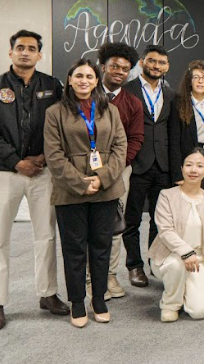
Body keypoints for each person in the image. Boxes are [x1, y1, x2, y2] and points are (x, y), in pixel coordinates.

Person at [0, 29, 68, 330]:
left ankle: (48, 294)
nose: (25, 52)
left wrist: (43, 158)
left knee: (46, 235)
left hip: (43, 172)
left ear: (40, 54)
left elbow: (63, 125)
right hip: (6, 172)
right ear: (10, 52)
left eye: (31, 48)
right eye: (20, 48)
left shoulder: (52, 86)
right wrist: (17, 161)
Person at [44, 58, 127, 327]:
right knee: (74, 248)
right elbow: (54, 156)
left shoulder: (110, 110)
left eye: (89, 76)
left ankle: (99, 299)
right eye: (78, 75)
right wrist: (82, 183)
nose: (84, 81)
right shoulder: (55, 112)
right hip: (70, 192)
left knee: (102, 247)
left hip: (106, 189)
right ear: (69, 79)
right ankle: (78, 302)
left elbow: (120, 148)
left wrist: (101, 179)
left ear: (96, 80)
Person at [91, 42, 144, 302]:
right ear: (103, 67)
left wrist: (115, 167)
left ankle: (110, 275)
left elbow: (135, 139)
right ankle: (91, 278)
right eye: (114, 66)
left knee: (114, 225)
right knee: (89, 225)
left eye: (125, 69)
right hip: (85, 171)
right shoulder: (85, 94)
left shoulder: (132, 102)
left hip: (119, 172)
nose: (119, 72)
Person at [149, 149, 204, 322]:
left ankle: (183, 289)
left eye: (199, 166)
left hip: (201, 261)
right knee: (177, 266)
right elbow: (165, 230)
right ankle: (170, 304)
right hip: (170, 256)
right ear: (182, 168)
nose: (193, 170)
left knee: (199, 311)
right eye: (189, 165)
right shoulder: (167, 196)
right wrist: (186, 252)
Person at [122, 45, 175, 288]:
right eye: (152, 61)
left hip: (163, 165)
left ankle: (155, 261)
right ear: (142, 62)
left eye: (161, 63)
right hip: (136, 164)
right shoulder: (127, 91)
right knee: (131, 219)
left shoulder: (170, 92)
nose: (156, 66)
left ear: (167, 67)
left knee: (159, 219)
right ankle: (134, 266)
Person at [169, 60, 204, 193]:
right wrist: (177, 173)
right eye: (196, 77)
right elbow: (174, 141)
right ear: (190, 81)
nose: (200, 81)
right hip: (188, 157)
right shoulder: (179, 103)